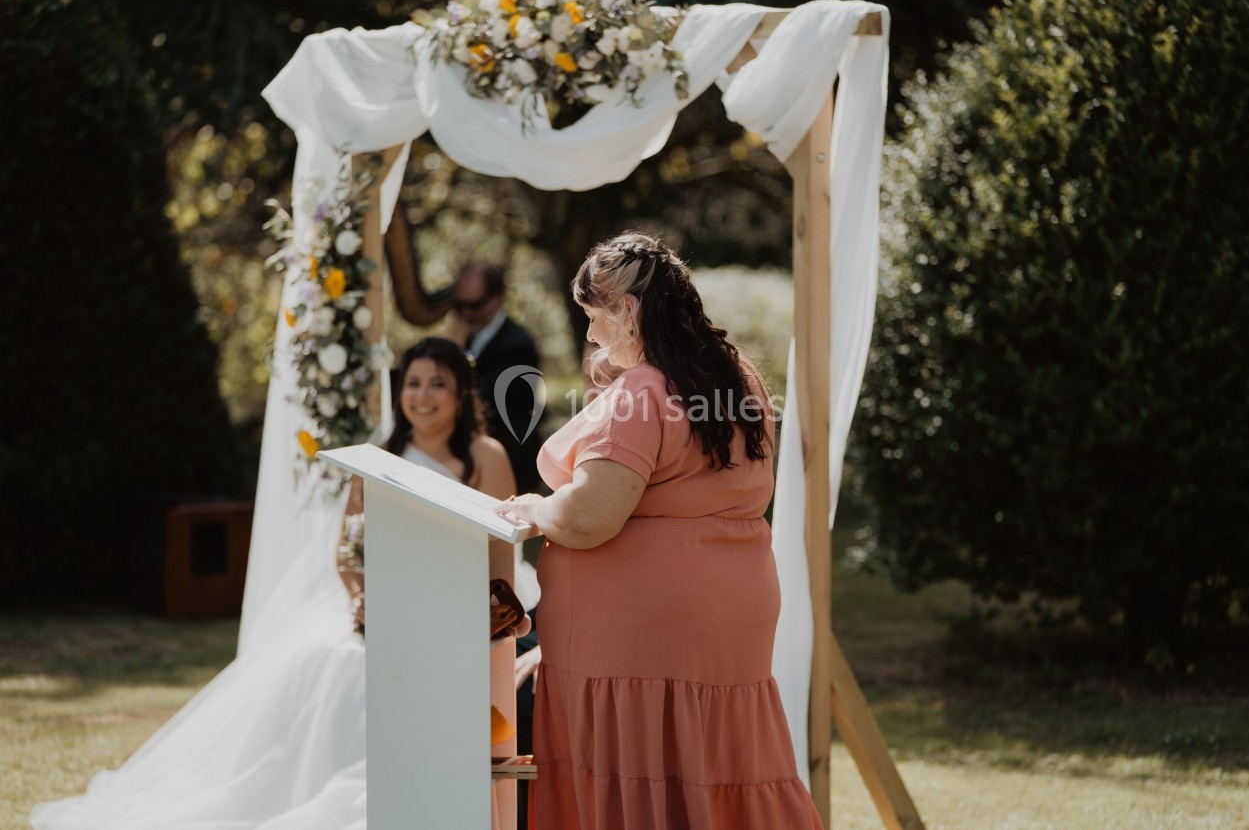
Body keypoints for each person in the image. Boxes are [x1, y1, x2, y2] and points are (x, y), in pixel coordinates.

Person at [30, 337, 537, 830]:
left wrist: (484, 613)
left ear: (459, 395)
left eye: (437, 385)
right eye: (413, 383)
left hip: (454, 607)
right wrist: (360, 595)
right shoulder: (380, 458)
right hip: (386, 607)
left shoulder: (485, 455)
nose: (421, 397)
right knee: (333, 661)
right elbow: (350, 547)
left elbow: (500, 550)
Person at [497, 233, 822, 830]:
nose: (591, 336)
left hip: (642, 640)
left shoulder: (644, 391)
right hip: (728, 615)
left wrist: (534, 510)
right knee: (713, 762)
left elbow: (591, 516)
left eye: (595, 319)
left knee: (641, 770)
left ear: (625, 310)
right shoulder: (735, 377)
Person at [453, 262, 544, 494]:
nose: (465, 313)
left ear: (497, 298)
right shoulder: (466, 335)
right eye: (459, 305)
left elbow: (480, 398)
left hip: (512, 463)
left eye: (474, 305)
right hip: (474, 461)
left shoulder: (518, 345)